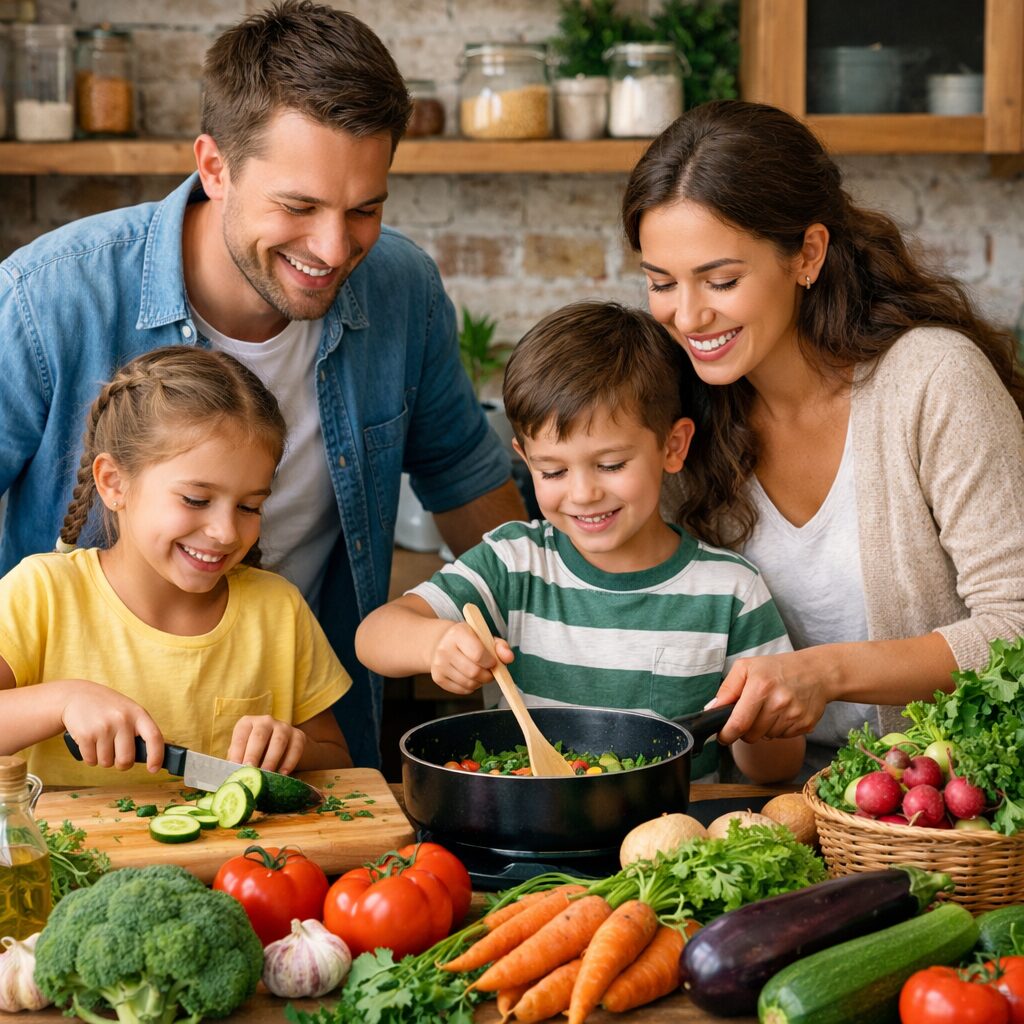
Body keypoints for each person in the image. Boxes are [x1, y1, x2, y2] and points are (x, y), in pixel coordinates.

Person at [0, 2, 524, 770]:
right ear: (214, 167)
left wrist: (542, 670)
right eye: (298, 206)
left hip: (288, 743)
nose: (333, 247)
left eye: (365, 209)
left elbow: (468, 488)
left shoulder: (400, 290)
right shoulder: (49, 299)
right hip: (56, 788)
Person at [621, 99, 1024, 774]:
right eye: (661, 282)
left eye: (721, 280)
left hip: (940, 805)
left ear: (807, 254)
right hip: (761, 799)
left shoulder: (931, 380)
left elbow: (1016, 629)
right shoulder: (683, 412)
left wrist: (826, 673)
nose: (687, 315)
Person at [356, 302, 804, 782]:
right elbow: (373, 637)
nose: (584, 493)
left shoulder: (731, 590)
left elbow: (777, 769)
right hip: (526, 829)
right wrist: (436, 642)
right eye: (553, 470)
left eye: (611, 465)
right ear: (525, 460)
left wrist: (758, 724)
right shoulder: (513, 564)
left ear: (672, 447)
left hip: (672, 842)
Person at [0, 347, 352, 787]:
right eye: (196, 500)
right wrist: (61, 701)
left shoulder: (278, 609)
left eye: (248, 506)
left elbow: (340, 764)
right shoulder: (41, 595)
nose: (225, 531)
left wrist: (291, 748)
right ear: (114, 482)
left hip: (236, 857)